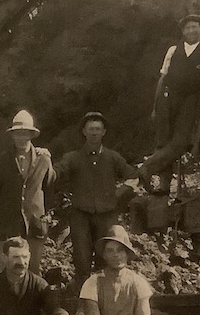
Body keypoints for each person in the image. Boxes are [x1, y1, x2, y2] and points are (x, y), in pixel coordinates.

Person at [53, 112, 139, 289]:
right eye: (91, 129)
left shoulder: (113, 157)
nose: (94, 133)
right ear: (84, 131)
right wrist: (43, 161)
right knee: (82, 261)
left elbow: (133, 176)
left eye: (98, 129)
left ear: (104, 132)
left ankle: (106, 301)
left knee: (106, 259)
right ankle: (83, 306)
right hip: (80, 216)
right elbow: (56, 173)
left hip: (106, 216)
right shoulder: (73, 157)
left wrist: (118, 193)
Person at [141, 15, 200, 195]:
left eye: (195, 27)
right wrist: (156, 106)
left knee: (180, 141)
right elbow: (163, 77)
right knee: (163, 140)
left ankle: (147, 167)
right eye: (187, 28)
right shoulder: (173, 50)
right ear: (183, 32)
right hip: (168, 97)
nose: (191, 31)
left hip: (191, 99)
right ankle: (164, 186)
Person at [0, 110, 55, 273]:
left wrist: (47, 215)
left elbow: (50, 188)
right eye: (18, 134)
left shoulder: (43, 160)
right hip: (7, 223)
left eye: (26, 134)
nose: (22, 138)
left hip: (34, 225)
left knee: (32, 269)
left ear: (32, 135)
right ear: (12, 135)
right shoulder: (3, 160)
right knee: (5, 270)